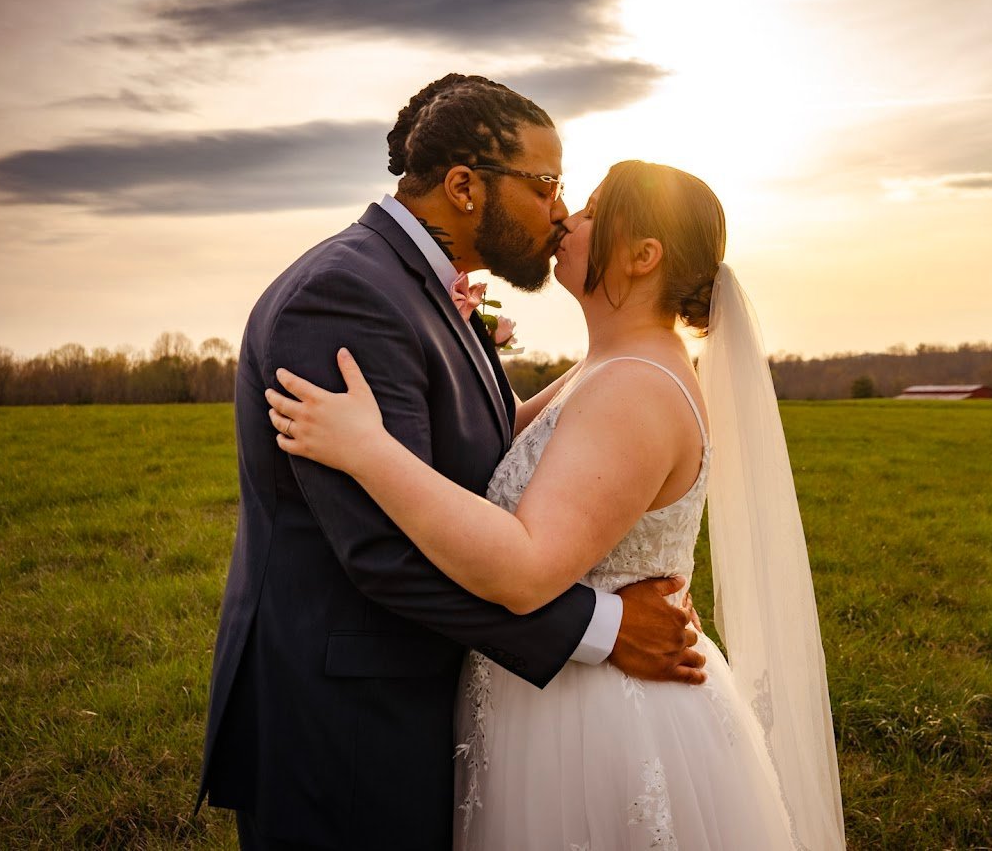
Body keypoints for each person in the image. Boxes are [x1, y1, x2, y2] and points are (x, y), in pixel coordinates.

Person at [267, 160, 847, 849]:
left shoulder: (636, 387)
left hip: (598, 725)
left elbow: (526, 567)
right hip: (554, 691)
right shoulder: (611, 365)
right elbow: (510, 445)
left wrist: (367, 449)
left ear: (642, 256)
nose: (567, 216)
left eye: (595, 209)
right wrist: (457, 338)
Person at [198, 76, 706, 850]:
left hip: (415, 702)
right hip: (343, 725)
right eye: (547, 187)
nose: (561, 212)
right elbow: (384, 550)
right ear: (466, 187)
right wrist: (601, 626)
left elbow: (487, 451)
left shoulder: (427, 291)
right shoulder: (344, 294)